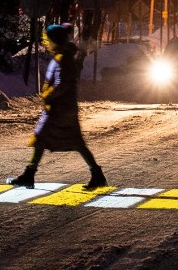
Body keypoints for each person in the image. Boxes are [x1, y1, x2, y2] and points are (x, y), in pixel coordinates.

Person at [8, 22, 107, 190]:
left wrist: (48, 95)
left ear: (55, 40)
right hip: (62, 109)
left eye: (48, 39)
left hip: (59, 110)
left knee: (46, 139)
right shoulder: (63, 56)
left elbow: (62, 83)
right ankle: (96, 174)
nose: (46, 42)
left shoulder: (63, 58)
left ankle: (29, 175)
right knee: (69, 142)